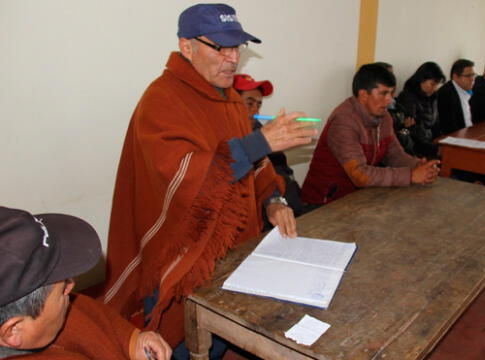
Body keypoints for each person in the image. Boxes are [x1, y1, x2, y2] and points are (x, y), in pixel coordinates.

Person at [101, 3, 316, 357]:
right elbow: (184, 179)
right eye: (221, 47)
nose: (233, 59)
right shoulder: (161, 100)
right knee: (181, 339)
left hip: (230, 246)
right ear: (187, 47)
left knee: (221, 329)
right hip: (185, 250)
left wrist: (273, 201)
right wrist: (261, 141)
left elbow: (254, 163)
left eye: (237, 48)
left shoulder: (229, 97)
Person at [0, 206, 172, 360]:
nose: (71, 286)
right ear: (13, 330)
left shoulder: (37, 321)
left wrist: (131, 340)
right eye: (62, 290)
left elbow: (89, 314)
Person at [300, 64, 439, 206]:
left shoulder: (384, 117)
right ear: (363, 95)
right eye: (384, 93)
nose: (390, 100)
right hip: (323, 205)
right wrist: (410, 176)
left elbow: (394, 155)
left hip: (358, 199)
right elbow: (360, 175)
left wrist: (418, 166)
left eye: (391, 93)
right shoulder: (344, 121)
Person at [233, 73, 309, 217]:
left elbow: (275, 176)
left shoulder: (259, 130)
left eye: (258, 104)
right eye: (249, 103)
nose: (256, 110)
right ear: (231, 102)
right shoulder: (222, 136)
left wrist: (275, 200)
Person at [395, 62, 446, 158]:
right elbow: (408, 132)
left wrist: (441, 140)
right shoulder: (408, 98)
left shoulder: (433, 97)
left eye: (437, 85)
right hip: (417, 147)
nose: (435, 88)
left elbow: (436, 124)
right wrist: (434, 149)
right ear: (422, 80)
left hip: (431, 143)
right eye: (432, 84)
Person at [437, 59, 476, 136]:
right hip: (456, 138)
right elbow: (449, 128)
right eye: (468, 76)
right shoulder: (446, 94)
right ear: (455, 77)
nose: (472, 79)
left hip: (469, 133)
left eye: (473, 75)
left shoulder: (469, 89)